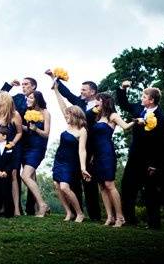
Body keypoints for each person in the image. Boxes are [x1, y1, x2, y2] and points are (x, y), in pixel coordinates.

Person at [46, 69, 101, 221]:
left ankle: (95, 215)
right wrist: (54, 79)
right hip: (69, 150)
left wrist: (94, 154)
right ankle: (77, 212)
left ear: (92, 91)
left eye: (84, 89)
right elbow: (66, 97)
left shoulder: (100, 105)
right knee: (72, 183)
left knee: (89, 184)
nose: (81, 92)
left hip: (89, 147)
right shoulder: (79, 104)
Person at [116, 81, 164, 229]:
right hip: (134, 157)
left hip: (149, 161)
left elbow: (161, 143)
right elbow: (124, 103)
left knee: (150, 192)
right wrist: (122, 88)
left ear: (151, 100)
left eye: (144, 97)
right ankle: (129, 219)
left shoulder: (160, 117)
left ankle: (154, 224)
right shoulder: (138, 109)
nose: (141, 99)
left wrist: (155, 164)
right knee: (127, 187)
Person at [90, 92, 135, 227]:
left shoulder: (113, 115)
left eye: (98, 100)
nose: (96, 103)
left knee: (110, 185)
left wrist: (136, 121)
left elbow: (125, 126)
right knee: (102, 187)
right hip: (96, 154)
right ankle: (110, 217)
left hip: (107, 153)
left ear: (105, 101)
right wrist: (92, 156)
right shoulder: (97, 117)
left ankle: (120, 217)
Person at [52, 85, 91, 223]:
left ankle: (80, 213)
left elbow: (82, 150)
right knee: (57, 185)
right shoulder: (68, 124)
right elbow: (62, 105)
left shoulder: (82, 130)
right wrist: (56, 90)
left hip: (70, 162)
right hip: (59, 159)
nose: (66, 116)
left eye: (68, 115)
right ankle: (69, 212)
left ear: (75, 116)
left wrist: (83, 168)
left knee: (64, 187)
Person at [0, 77, 37, 214]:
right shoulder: (19, 98)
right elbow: (2, 97)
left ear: (33, 86)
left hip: (32, 141)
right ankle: (17, 207)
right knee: (15, 173)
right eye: (22, 84)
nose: (23, 86)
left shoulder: (37, 98)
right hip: (17, 139)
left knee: (30, 174)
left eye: (26, 84)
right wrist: (8, 85)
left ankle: (31, 208)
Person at [0, 91, 23, 216]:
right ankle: (2, 206)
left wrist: (13, 143)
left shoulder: (15, 115)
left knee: (13, 174)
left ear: (4, 100)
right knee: (0, 174)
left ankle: (16, 208)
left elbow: (20, 132)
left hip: (12, 148)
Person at [21, 91, 51, 217]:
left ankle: (42, 205)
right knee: (31, 178)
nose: (28, 99)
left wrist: (36, 129)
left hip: (37, 148)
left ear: (37, 99)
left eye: (31, 97)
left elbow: (46, 133)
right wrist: (19, 125)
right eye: (28, 97)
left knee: (25, 176)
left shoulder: (45, 112)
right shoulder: (28, 112)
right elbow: (28, 129)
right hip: (27, 147)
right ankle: (41, 206)